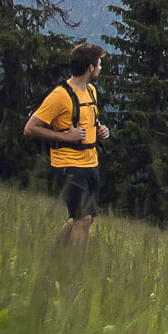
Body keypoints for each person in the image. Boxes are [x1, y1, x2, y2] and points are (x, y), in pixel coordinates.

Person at [22, 42, 111, 248]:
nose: (100, 68)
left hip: (90, 162)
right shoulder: (59, 96)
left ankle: (54, 253)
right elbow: (30, 128)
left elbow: (86, 121)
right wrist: (67, 137)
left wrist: (100, 130)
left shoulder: (91, 92)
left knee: (84, 218)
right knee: (82, 219)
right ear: (91, 67)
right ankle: (73, 271)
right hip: (69, 164)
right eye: (99, 64)